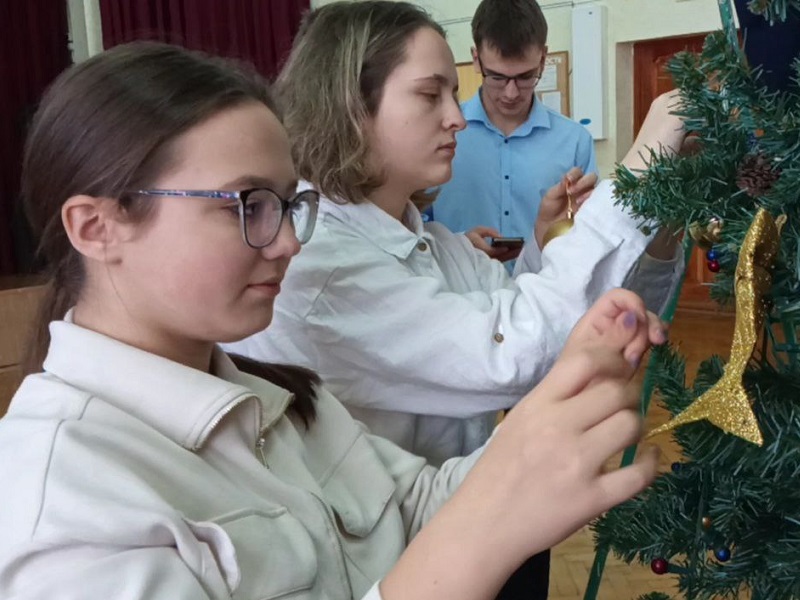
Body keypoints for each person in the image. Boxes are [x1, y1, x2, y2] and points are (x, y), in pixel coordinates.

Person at [0, 40, 664, 600]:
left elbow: (415, 501)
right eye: (247, 204)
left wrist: (556, 406)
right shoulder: (62, 506)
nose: (288, 241)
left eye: (289, 204)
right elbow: (460, 519)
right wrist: (477, 541)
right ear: (97, 227)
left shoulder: (287, 401)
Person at [228, 0, 685, 465]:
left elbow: (523, 309)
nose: (458, 119)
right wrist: (642, 171)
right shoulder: (320, 263)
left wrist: (551, 239)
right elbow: (513, 353)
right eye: (430, 95)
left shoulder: (430, 240)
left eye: (452, 93)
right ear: (349, 107)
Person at [429, 0, 598, 261]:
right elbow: (410, 225)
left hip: (545, 293)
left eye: (525, 77)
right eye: (497, 77)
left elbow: (589, 233)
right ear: (476, 59)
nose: (511, 93)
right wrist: (457, 245)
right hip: (456, 291)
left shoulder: (575, 141)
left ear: (543, 59)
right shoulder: (439, 132)